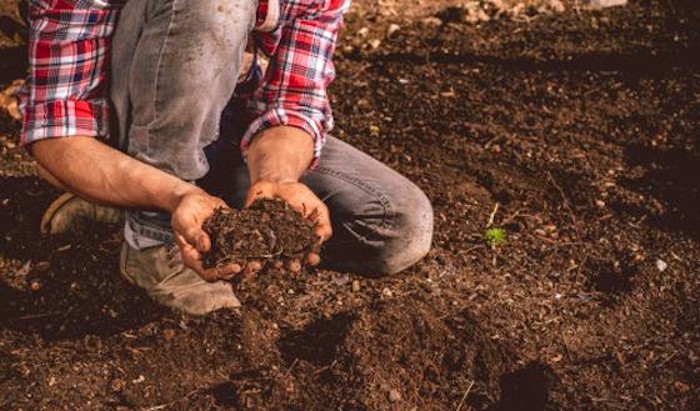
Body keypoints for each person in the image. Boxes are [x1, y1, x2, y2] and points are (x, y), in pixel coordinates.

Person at [19, 0, 434, 315]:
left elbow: (293, 103)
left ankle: (140, 204)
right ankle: (153, 240)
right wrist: (172, 196)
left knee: (394, 226)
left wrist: (276, 181)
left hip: (223, 125)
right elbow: (57, 133)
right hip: (119, 124)